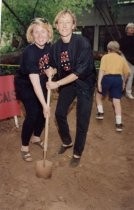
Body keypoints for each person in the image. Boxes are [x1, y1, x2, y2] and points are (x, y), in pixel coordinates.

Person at [46, 10, 96, 167]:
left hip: (85, 84)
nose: (64, 25)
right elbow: (55, 66)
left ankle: (77, 152)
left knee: (82, 119)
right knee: (59, 113)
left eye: (68, 22)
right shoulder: (55, 47)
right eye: (61, 22)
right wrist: (51, 70)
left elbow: (78, 73)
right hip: (68, 83)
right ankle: (67, 141)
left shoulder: (83, 43)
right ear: (56, 26)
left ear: (73, 25)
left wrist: (57, 83)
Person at [14, 18, 54, 162]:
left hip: (40, 80)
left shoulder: (50, 48)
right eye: (36, 32)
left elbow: (52, 65)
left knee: (45, 114)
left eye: (43, 31)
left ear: (49, 33)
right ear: (32, 35)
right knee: (34, 113)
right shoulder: (29, 52)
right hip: (26, 84)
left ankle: (36, 137)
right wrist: (44, 105)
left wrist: (52, 70)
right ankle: (24, 147)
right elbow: (34, 81)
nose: (40, 35)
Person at [96, 41, 130, 132]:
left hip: (107, 78)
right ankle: (119, 124)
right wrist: (123, 82)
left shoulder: (105, 57)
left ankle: (100, 113)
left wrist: (99, 83)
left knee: (98, 96)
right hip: (118, 79)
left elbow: (102, 71)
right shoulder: (121, 58)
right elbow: (127, 72)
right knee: (116, 101)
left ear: (108, 49)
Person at [119, 22, 134, 99]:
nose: (132, 29)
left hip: (133, 61)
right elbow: (119, 50)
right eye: (130, 28)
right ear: (127, 29)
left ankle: (128, 92)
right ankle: (120, 92)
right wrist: (124, 58)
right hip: (124, 59)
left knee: (131, 76)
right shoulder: (122, 39)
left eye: (133, 28)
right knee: (123, 76)